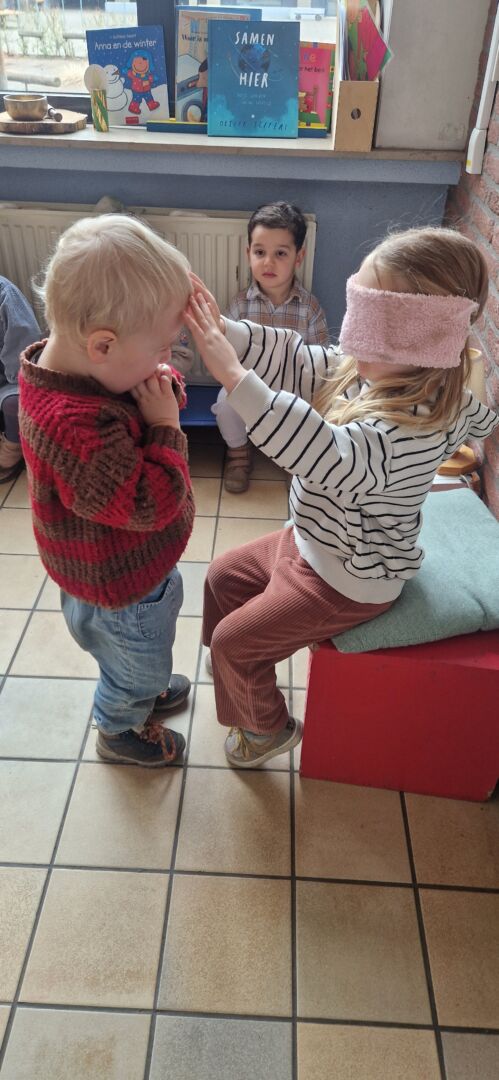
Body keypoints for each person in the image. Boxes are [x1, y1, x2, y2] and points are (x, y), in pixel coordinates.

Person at [184, 227, 499, 768]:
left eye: (374, 325)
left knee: (235, 641)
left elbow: (324, 452)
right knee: (221, 578)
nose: (353, 339)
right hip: (311, 539)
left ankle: (265, 729)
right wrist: (226, 332)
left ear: (424, 337)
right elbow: (301, 360)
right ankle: (238, 668)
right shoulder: (374, 365)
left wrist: (234, 377)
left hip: (349, 578)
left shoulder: (409, 430)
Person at [18, 214, 195, 768]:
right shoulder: (76, 428)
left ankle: (141, 680)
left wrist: (158, 391)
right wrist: (165, 426)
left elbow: (127, 397)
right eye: (161, 349)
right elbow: (148, 503)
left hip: (112, 571)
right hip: (121, 590)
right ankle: (120, 725)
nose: (165, 360)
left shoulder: (72, 365)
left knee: (137, 653)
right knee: (134, 665)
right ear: (103, 345)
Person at [212, 201, 329, 493]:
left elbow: (320, 360)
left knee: (311, 409)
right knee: (225, 403)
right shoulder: (240, 304)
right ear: (248, 253)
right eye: (260, 252)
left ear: (299, 257)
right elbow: (225, 353)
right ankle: (239, 454)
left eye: (280, 254)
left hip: (292, 387)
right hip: (248, 381)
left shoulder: (309, 308)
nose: (268, 263)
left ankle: (296, 459)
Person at [0, 276, 40, 484]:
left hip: (9, 379)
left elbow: (24, 352)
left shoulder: (5, 294)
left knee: (15, 400)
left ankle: (12, 446)